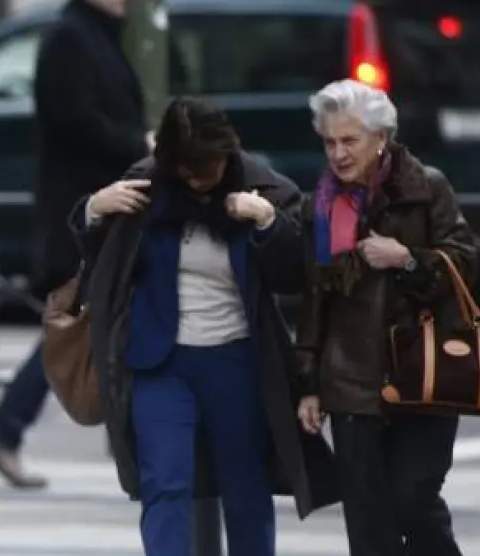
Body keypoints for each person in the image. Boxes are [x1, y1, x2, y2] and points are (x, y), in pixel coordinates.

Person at [70, 97, 338, 556]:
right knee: (164, 483)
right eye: (188, 174)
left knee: (246, 487)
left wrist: (268, 222)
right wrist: (94, 209)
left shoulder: (263, 187)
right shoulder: (144, 189)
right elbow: (101, 265)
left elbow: (297, 274)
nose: (200, 183)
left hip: (237, 359)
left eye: (209, 171)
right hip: (159, 360)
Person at [0, 0, 151, 488]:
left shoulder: (97, 35)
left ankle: (6, 431)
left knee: (90, 324)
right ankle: (4, 430)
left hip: (104, 211)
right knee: (80, 325)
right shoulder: (71, 37)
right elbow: (77, 122)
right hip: (85, 213)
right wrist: (139, 145)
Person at [293, 79, 477, 556]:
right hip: (350, 381)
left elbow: (467, 267)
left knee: (413, 500)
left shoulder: (426, 187)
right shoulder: (323, 203)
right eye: (329, 142)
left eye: (349, 140)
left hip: (424, 373)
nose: (338, 154)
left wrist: (408, 259)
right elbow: (316, 296)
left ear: (381, 138)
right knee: (367, 522)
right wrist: (309, 382)